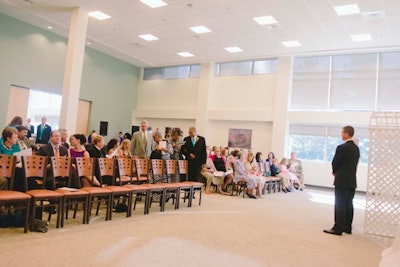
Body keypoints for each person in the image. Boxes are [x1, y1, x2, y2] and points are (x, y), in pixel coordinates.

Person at [324, 125, 360, 236]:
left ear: (346, 134)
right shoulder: (356, 148)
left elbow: (335, 162)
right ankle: (347, 227)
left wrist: (335, 171)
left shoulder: (342, 147)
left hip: (342, 179)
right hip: (352, 180)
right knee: (349, 203)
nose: (341, 135)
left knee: (339, 203)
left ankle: (338, 228)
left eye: (342, 133)